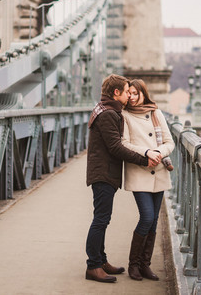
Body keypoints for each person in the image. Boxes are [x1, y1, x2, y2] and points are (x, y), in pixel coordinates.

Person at [85, 74, 158, 283]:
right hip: (103, 174)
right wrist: (145, 159)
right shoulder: (109, 114)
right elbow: (116, 147)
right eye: (127, 92)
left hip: (104, 172)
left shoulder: (106, 109)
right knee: (100, 219)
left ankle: (101, 259)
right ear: (116, 93)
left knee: (102, 218)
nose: (129, 96)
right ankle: (93, 266)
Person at [122, 78, 175, 281]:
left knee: (153, 221)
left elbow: (170, 142)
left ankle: (145, 265)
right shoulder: (125, 115)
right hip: (140, 172)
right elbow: (124, 143)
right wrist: (147, 153)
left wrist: (158, 153)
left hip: (159, 170)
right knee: (146, 217)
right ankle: (133, 265)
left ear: (143, 93)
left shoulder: (155, 112)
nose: (133, 97)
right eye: (130, 94)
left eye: (136, 93)